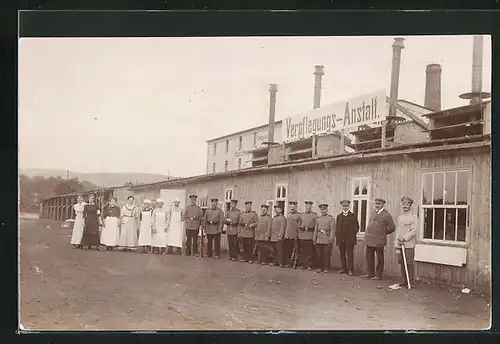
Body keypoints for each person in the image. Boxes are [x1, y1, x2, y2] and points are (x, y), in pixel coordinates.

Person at [362, 198, 396, 280]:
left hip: (379, 240)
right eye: (376, 204)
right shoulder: (373, 212)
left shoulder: (386, 214)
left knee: (380, 258)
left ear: (383, 204)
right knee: (369, 256)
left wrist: (383, 233)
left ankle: (378, 275)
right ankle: (370, 273)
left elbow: (392, 227)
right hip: (370, 239)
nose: (377, 205)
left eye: (379, 204)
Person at [394, 196, 418, 288]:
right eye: (404, 204)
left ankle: (410, 281)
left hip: (409, 244)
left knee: (409, 263)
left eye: (407, 204)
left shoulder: (413, 217)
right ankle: (404, 280)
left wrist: (404, 238)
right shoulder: (400, 217)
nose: (405, 206)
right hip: (400, 244)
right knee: (402, 262)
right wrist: (397, 244)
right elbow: (398, 232)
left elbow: (414, 231)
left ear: (410, 205)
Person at [335, 200, 360, 276]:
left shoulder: (353, 216)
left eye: (346, 206)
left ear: (349, 206)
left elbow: (357, 227)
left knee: (350, 255)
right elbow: (337, 227)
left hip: (349, 239)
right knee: (342, 255)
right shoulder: (339, 216)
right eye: (343, 206)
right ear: (342, 207)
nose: (345, 207)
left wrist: (351, 234)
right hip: (341, 240)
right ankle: (343, 269)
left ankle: (350, 270)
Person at [313, 203, 335, 273]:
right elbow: (316, 229)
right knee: (319, 254)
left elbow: (333, 230)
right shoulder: (318, 219)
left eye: (324, 210)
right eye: (322, 210)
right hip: (319, 239)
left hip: (326, 239)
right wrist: (314, 238)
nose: (323, 211)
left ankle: (326, 268)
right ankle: (320, 267)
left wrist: (331, 238)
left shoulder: (331, 218)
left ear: (327, 210)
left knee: (326, 254)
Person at [298, 200, 317, 270]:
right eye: (306, 206)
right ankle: (303, 264)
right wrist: (300, 228)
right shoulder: (301, 215)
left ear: (311, 207)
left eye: (309, 206)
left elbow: (316, 226)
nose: (307, 208)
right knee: (303, 251)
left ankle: (309, 265)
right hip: (302, 235)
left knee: (310, 251)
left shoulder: (314, 215)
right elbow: (299, 225)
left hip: (310, 235)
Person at [284, 201, 301, 268]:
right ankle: (288, 263)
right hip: (287, 235)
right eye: (291, 207)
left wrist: (298, 235)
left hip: (295, 235)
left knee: (296, 251)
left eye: (294, 207)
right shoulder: (287, 215)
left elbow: (299, 226)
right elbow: (285, 226)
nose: (292, 208)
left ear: (296, 207)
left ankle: (295, 263)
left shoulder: (299, 216)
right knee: (288, 250)